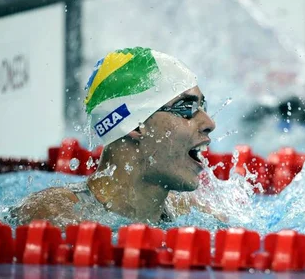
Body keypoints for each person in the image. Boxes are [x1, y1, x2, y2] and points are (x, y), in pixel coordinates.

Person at [12, 47, 216, 228]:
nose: (209, 123)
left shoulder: (192, 213)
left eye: (202, 107)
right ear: (135, 124)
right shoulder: (55, 215)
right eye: (187, 108)